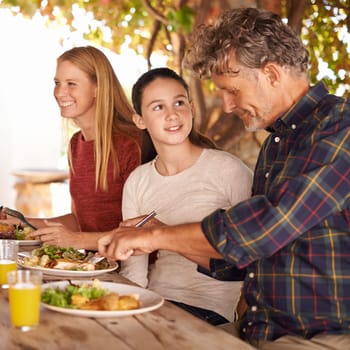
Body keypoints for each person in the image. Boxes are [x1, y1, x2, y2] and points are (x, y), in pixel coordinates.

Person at [98, 8, 350, 349]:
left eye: (232, 91)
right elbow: (239, 261)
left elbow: (266, 226)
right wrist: (152, 237)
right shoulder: (277, 145)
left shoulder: (339, 130)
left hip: (321, 336)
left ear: (271, 74)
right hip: (259, 330)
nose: (228, 106)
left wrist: (158, 235)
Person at [118, 67, 253, 325]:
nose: (172, 114)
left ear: (191, 107)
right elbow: (134, 274)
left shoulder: (229, 170)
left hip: (209, 311)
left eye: (179, 103)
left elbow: (249, 262)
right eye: (158, 107)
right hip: (153, 303)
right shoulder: (137, 182)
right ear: (140, 120)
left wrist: (161, 235)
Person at [3, 46, 150, 250]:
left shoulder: (130, 143)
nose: (60, 92)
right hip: (95, 264)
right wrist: (21, 222)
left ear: (98, 88)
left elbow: (144, 228)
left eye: (71, 84)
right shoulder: (76, 144)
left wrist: (76, 240)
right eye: (57, 83)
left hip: (133, 271)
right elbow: (79, 220)